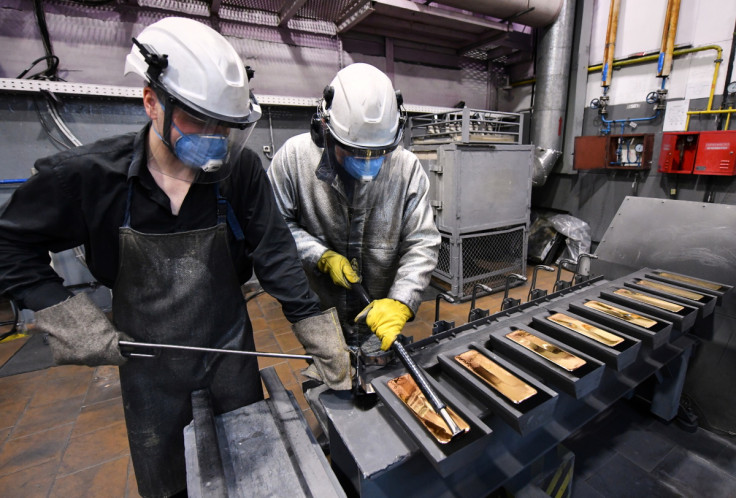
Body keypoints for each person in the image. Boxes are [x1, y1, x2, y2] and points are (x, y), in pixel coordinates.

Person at [0, 17, 350, 498]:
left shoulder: (239, 171)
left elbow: (275, 253)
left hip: (231, 349)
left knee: (249, 468)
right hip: (146, 362)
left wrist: (316, 331)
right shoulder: (90, 178)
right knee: (168, 478)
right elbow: (9, 244)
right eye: (196, 119)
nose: (212, 135)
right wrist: (68, 317)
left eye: (222, 125)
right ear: (151, 102)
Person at [267, 63, 440, 353]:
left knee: (378, 387)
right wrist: (319, 255)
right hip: (321, 315)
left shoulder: (406, 168)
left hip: (379, 317)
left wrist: (401, 300)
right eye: (355, 151)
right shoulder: (294, 159)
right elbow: (275, 225)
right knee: (330, 385)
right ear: (325, 131)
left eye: (380, 153)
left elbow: (422, 241)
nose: (369, 162)